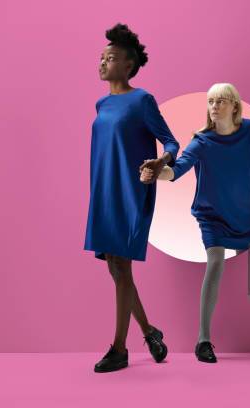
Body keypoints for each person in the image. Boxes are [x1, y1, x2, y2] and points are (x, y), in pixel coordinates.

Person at [140, 83, 250, 363]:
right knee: (215, 262)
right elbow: (177, 169)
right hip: (211, 215)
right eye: (211, 102)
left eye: (221, 101)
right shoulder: (201, 141)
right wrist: (156, 173)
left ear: (234, 106)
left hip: (245, 213)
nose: (214, 107)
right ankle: (203, 340)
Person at [85, 23, 180, 373]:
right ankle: (150, 332)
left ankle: (119, 349)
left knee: (121, 267)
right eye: (101, 57)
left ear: (128, 65)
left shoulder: (142, 101)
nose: (102, 62)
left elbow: (171, 142)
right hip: (104, 192)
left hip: (131, 191)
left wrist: (160, 161)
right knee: (116, 269)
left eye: (110, 58)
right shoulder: (101, 103)